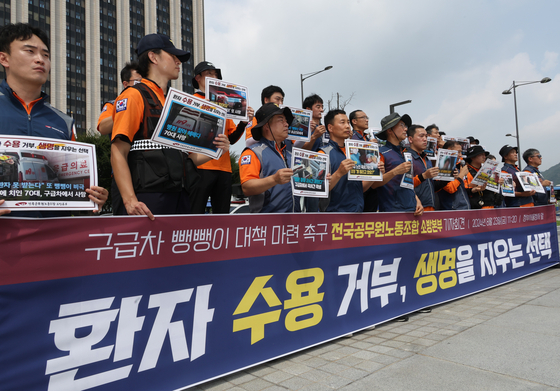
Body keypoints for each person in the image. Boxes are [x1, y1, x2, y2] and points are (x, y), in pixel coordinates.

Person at [111, 34, 230, 220]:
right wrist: (130, 200)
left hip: (180, 195)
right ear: (153, 57)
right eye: (173, 56)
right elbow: (118, 150)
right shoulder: (134, 95)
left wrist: (216, 149)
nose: (178, 61)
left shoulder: (174, 103)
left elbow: (187, 159)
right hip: (148, 197)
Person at [0, 23, 107, 217]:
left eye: (46, 55)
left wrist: (93, 199)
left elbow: (71, 186)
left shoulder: (63, 122)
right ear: (4, 58)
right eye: (30, 51)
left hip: (53, 239)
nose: (40, 59)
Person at [188, 61, 254, 214]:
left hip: (224, 167)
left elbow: (230, 138)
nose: (214, 77)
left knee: (222, 215)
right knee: (194, 212)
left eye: (216, 74)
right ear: (198, 78)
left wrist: (243, 123)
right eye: (209, 74)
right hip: (200, 166)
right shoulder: (192, 100)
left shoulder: (224, 103)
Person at [239, 103, 296, 213]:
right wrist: (274, 179)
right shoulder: (253, 153)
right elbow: (247, 187)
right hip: (265, 225)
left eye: (286, 121)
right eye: (281, 120)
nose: (287, 124)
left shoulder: (291, 155)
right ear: (266, 126)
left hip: (293, 225)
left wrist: (322, 180)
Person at [318, 109, 379, 212]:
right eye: (342, 122)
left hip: (357, 214)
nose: (347, 126)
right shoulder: (323, 153)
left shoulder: (355, 152)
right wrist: (339, 173)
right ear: (330, 127)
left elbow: (360, 188)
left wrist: (376, 172)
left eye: (348, 122)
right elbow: (319, 189)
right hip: (334, 217)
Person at [376, 112, 423, 215]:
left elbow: (408, 180)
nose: (406, 129)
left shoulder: (405, 152)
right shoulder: (380, 152)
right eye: (401, 125)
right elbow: (375, 184)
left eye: (405, 125)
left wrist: (416, 200)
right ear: (389, 130)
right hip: (392, 210)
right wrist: (395, 171)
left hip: (412, 209)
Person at [97, 62, 142, 136]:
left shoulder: (151, 102)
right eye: (138, 82)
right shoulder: (113, 104)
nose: (142, 85)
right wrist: (122, 111)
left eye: (143, 82)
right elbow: (102, 128)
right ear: (125, 84)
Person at [349, 109, 379, 212]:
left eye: (367, 118)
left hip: (371, 181)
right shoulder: (351, 138)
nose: (367, 120)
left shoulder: (368, 137)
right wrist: (368, 147)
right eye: (364, 118)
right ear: (354, 121)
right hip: (359, 182)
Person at [406, 125, 439, 211]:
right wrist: (423, 176)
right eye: (421, 136)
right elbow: (405, 183)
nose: (425, 139)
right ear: (410, 139)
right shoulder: (407, 157)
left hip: (430, 205)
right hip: (416, 207)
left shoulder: (427, 159)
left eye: (426, 136)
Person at [436, 140, 470, 210]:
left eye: (461, 152)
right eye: (458, 152)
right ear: (449, 151)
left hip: (463, 208)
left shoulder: (456, 167)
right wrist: (461, 175)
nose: (460, 155)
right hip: (451, 211)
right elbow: (450, 188)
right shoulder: (443, 166)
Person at [464, 145, 495, 209]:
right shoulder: (467, 171)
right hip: (478, 208)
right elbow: (466, 189)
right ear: (472, 157)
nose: (484, 157)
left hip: (491, 204)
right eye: (481, 155)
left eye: (484, 155)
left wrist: (497, 182)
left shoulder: (487, 170)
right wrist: (479, 182)